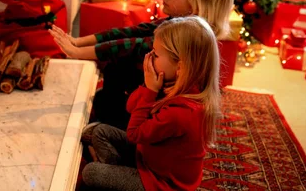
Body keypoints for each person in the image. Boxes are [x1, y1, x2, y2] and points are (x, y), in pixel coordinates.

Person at [49, 0, 233, 129]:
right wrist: (80, 41)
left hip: (162, 108)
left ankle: (114, 127)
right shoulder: (177, 22)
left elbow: (133, 46)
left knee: (118, 69)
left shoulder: (186, 37)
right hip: (155, 90)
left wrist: (77, 52)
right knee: (113, 77)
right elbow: (132, 32)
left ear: (198, 7)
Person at [81, 16, 222, 190]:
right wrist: (148, 87)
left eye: (155, 54)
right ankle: (115, 175)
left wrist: (150, 92)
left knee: (90, 172)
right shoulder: (171, 84)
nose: (148, 57)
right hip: (146, 157)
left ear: (180, 67)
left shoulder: (181, 113)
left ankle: (112, 175)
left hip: (159, 183)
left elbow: (133, 134)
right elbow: (130, 106)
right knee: (98, 132)